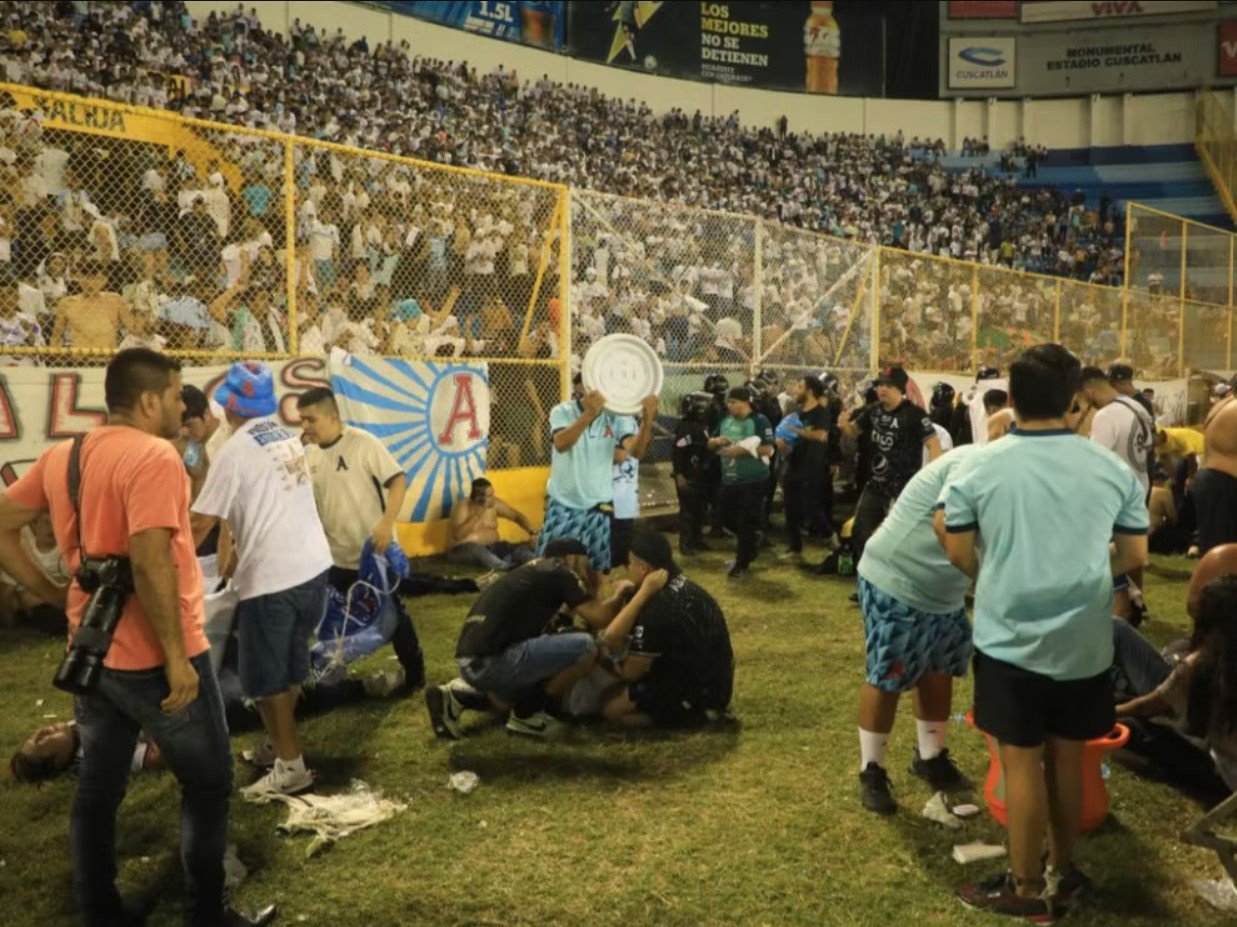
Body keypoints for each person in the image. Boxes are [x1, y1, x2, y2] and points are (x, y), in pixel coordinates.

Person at [0, 347, 275, 927]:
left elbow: (4, 522)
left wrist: (54, 593)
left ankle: (99, 910)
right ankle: (207, 915)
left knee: (99, 784)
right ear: (151, 400)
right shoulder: (154, 457)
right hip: (154, 655)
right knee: (208, 782)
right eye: (177, 394)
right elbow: (151, 562)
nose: (183, 404)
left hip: (91, 651)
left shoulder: (65, 454)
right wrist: (178, 658)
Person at [939, 343, 1149, 921]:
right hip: (1083, 640)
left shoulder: (978, 465)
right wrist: (1078, 576)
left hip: (1009, 639)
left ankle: (1027, 890)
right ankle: (1066, 869)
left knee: (1020, 765)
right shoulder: (1109, 470)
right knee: (1066, 759)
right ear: (1074, 400)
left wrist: (1001, 575)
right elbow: (1133, 554)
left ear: (1012, 392)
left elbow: (957, 549)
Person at [192, 363, 332, 799]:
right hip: (312, 569)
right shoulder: (283, 437)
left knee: (265, 680)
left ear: (231, 406)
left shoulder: (234, 452)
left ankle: (291, 768)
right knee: (289, 668)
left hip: (273, 580)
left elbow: (200, 523)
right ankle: (280, 747)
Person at [854, 445, 981, 815]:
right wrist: (987, 581)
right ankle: (871, 769)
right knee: (889, 674)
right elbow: (945, 525)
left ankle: (930, 756)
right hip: (899, 576)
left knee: (939, 670)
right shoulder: (974, 462)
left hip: (945, 591)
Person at [424, 538, 630, 739]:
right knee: (586, 647)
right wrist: (619, 593)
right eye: (585, 563)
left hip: (472, 661)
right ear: (571, 558)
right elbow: (600, 618)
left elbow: (557, 626)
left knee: (511, 699)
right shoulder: (563, 572)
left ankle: (457, 696)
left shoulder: (533, 572)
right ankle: (529, 714)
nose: (587, 569)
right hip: (493, 662)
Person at [297, 386, 425, 691]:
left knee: (393, 617)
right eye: (301, 420)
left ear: (332, 417)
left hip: (375, 554)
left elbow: (398, 480)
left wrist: (386, 523)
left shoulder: (364, 444)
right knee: (333, 618)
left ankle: (415, 673)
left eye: (310, 420)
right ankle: (333, 675)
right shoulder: (309, 454)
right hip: (336, 558)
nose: (305, 427)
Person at [1109, 543, 1237, 802]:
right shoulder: (1219, 660)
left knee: (1134, 729)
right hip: (1222, 756)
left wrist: (1109, 713)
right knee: (1177, 649)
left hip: (1223, 779)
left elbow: (1148, 707)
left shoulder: (1203, 663)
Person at [820, 365, 940, 591]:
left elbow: (934, 445)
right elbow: (852, 431)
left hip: (905, 487)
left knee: (903, 537)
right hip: (877, 483)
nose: (882, 389)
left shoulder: (914, 414)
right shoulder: (873, 411)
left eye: (889, 385)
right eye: (880, 384)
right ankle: (871, 580)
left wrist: (932, 477)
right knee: (860, 531)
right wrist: (843, 424)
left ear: (901, 388)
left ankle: (899, 582)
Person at [598, 530, 734, 728]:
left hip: (701, 693)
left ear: (644, 568)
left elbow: (630, 672)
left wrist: (604, 660)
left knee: (612, 708)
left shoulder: (657, 606)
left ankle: (696, 718)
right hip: (717, 682)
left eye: (630, 564)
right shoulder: (681, 584)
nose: (627, 569)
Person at [536, 377, 648, 573]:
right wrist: (588, 415)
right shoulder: (562, 411)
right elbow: (561, 444)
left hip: (600, 504)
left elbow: (635, 452)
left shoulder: (618, 417)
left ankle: (594, 602)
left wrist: (648, 421)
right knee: (549, 567)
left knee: (597, 570)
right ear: (583, 387)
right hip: (565, 502)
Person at [708, 386, 774, 579]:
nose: (729, 406)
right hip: (729, 480)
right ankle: (752, 542)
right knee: (725, 518)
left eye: (733, 402)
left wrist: (741, 451)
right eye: (728, 402)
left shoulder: (760, 421)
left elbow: (768, 450)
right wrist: (716, 441)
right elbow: (710, 443)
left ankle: (742, 563)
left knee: (745, 521)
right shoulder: (726, 421)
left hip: (753, 481)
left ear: (745, 403)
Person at [778, 376, 831, 561]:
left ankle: (830, 537)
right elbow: (789, 444)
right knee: (790, 509)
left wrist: (798, 431)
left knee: (811, 508)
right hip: (793, 465)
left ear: (809, 391)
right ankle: (794, 548)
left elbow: (821, 435)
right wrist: (782, 444)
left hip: (812, 467)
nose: (795, 389)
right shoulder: (796, 413)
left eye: (800, 386)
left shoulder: (821, 413)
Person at [1081, 366, 1155, 496]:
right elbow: (1148, 446)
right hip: (1139, 494)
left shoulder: (1105, 415)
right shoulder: (1138, 407)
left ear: (1089, 393)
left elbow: (1094, 464)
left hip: (1117, 497)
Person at [50, 260, 145, 349]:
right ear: (78, 278)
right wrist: (55, 356)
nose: (90, 283)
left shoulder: (115, 300)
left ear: (104, 280)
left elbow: (135, 330)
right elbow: (57, 335)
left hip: (107, 357)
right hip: (80, 359)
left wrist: (142, 309)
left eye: (96, 278)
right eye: (86, 277)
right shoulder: (67, 303)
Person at [448, 477, 538, 572]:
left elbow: (516, 516)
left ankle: (535, 561)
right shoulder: (463, 506)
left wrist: (532, 532)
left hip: (492, 546)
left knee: (512, 548)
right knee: (481, 553)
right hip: (463, 550)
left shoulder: (494, 504)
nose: (493, 498)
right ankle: (508, 567)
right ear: (479, 498)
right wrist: (479, 514)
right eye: (490, 496)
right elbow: (457, 535)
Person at [610, 395, 658, 570]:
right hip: (603, 498)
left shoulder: (623, 419)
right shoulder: (593, 418)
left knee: (620, 554)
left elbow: (625, 454)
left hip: (619, 497)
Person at [1192, 393, 1237, 555]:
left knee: (1216, 550)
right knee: (1223, 555)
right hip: (1223, 482)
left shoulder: (1222, 406)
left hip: (1211, 478)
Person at [672, 391, 714, 555]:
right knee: (688, 511)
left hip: (701, 474)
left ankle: (697, 539)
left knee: (700, 509)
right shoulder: (685, 428)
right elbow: (678, 452)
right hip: (688, 474)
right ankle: (686, 543)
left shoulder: (701, 425)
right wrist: (679, 475)